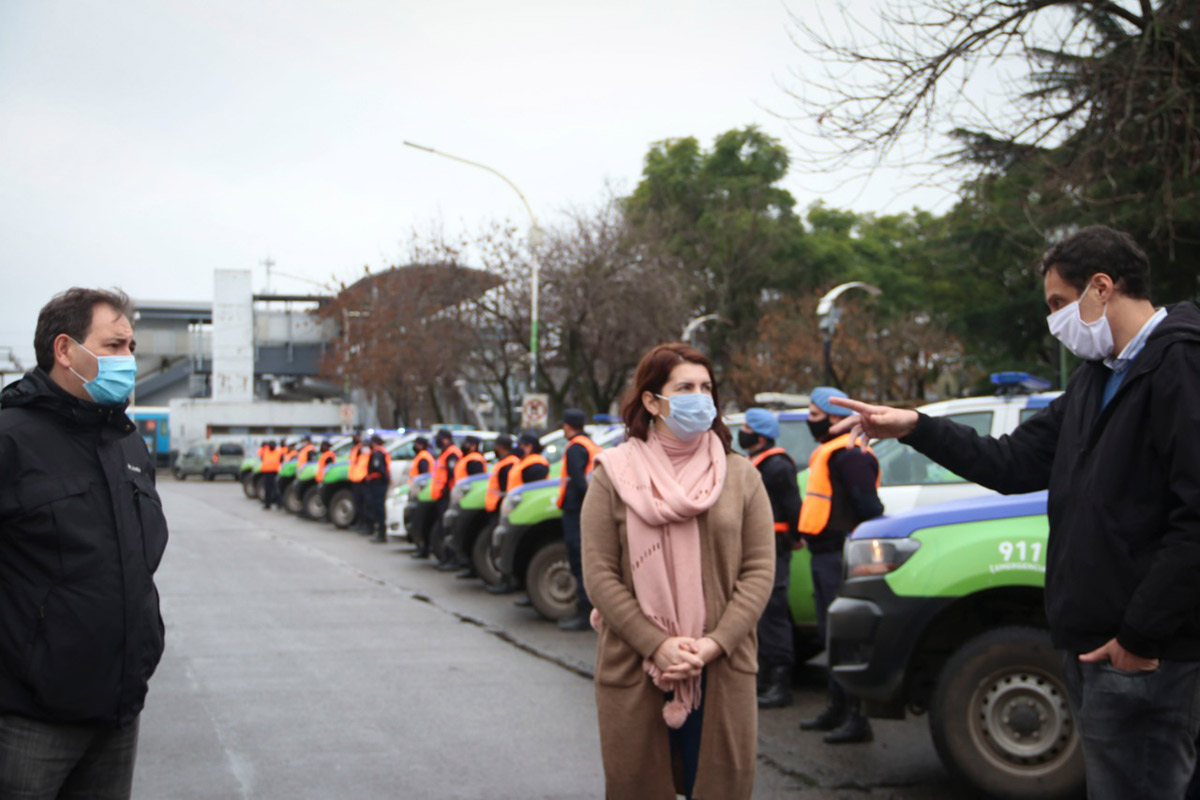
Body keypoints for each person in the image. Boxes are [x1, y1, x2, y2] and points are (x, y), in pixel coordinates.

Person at [829, 225, 1200, 798]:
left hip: (1144, 658)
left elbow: (1194, 516)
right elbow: (1011, 463)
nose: (1055, 320)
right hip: (1093, 647)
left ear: (1101, 288)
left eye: (1059, 303)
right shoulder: (1096, 378)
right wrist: (916, 426)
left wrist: (1141, 638)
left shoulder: (1179, 362)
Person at [582, 342, 774, 800]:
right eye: (685, 387)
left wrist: (712, 645)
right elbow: (599, 573)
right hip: (638, 665)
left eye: (707, 387)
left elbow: (759, 570)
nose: (700, 397)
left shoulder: (742, 476)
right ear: (652, 401)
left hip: (722, 664)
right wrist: (659, 645)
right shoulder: (613, 475)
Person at [0, 287, 168, 799]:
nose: (128, 360)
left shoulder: (128, 444)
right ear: (65, 350)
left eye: (132, 347)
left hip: (118, 713)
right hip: (29, 722)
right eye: (114, 346)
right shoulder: (10, 439)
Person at [795, 387, 883, 744]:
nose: (809, 420)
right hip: (824, 555)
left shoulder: (850, 454)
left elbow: (869, 506)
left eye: (814, 413)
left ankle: (856, 718)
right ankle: (837, 707)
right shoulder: (831, 452)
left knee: (845, 637)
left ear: (834, 417)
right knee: (830, 634)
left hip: (841, 554)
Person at [739, 408, 802, 708]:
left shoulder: (778, 466)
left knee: (773, 613)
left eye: (747, 427)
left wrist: (794, 538)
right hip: (756, 545)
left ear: (760, 435)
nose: (743, 431)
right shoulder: (757, 464)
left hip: (775, 546)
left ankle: (781, 682)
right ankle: (763, 675)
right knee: (760, 613)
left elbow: (793, 508)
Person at [556, 409, 604, 631]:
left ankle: (584, 612)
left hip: (576, 510)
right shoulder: (588, 444)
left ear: (568, 426)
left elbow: (577, 480)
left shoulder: (575, 447)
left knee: (579, 559)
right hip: (582, 509)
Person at [462, 435, 519, 581]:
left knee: (501, 544)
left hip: (502, 509)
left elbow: (506, 489)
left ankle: (505, 579)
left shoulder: (509, 464)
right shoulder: (504, 462)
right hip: (496, 508)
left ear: (500, 447)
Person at [435, 436, 487, 571]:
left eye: (467, 443)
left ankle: (457, 560)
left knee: (458, 530)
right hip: (459, 499)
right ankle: (460, 561)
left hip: (466, 501)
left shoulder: (474, 460)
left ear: (474, 445)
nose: (463, 445)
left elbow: (474, 482)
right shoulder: (466, 458)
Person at [415, 429, 461, 560]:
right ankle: (445, 557)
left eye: (439, 438)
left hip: (447, 496)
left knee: (447, 528)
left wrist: (446, 491)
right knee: (440, 527)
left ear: (446, 438)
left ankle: (451, 558)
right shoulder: (445, 453)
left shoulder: (452, 454)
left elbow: (452, 476)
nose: (437, 441)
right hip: (440, 496)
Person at [364, 435, 392, 543]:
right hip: (379, 483)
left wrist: (384, 480)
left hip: (378, 483)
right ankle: (380, 532)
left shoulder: (377, 454)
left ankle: (381, 533)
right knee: (378, 507)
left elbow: (379, 469)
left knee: (378, 508)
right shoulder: (381, 452)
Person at [348, 435, 371, 532]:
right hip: (356, 479)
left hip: (363, 480)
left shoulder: (364, 451)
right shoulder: (356, 450)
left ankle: (366, 524)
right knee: (358, 504)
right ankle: (360, 523)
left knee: (364, 504)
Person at [260, 439, 283, 510]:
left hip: (275, 473)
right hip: (267, 473)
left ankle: (279, 504)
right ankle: (267, 504)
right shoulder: (265, 452)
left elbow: (281, 460)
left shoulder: (278, 452)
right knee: (267, 490)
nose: (271, 446)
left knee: (276, 489)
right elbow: (262, 459)